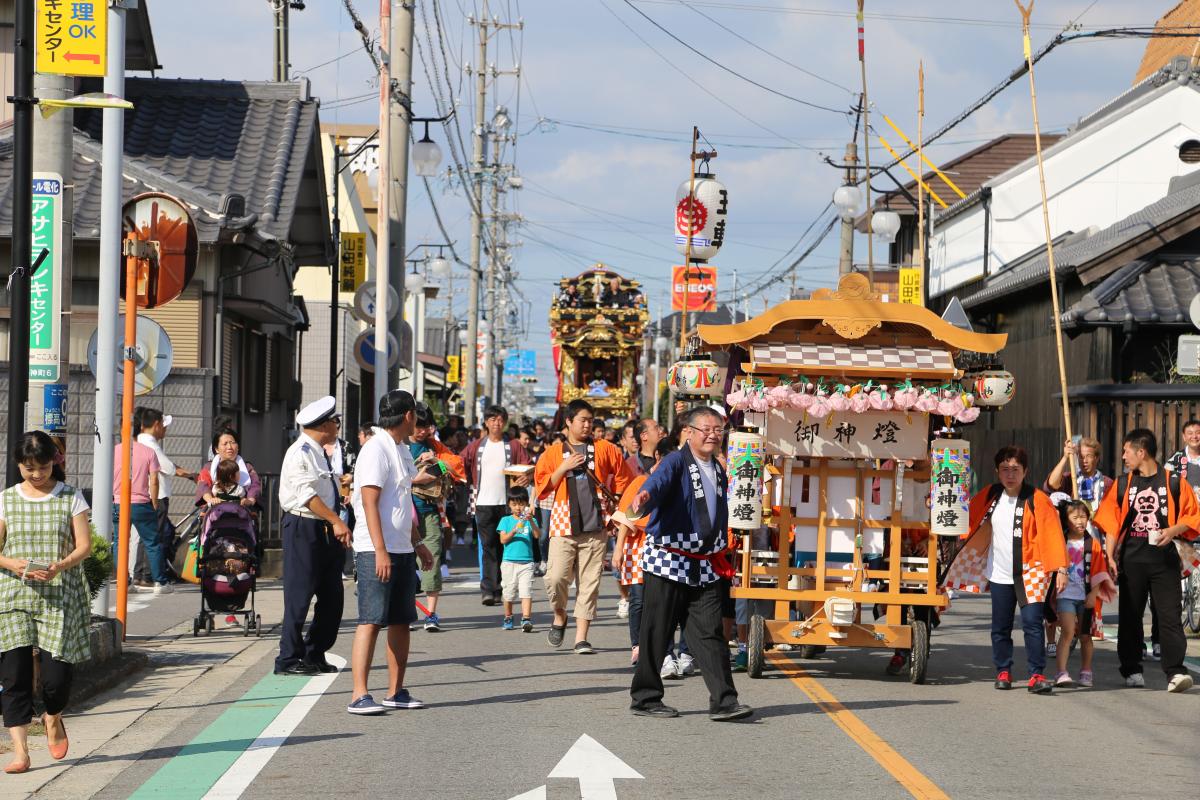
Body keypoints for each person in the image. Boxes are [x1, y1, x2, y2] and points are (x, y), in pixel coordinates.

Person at [625, 406, 750, 721]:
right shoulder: (674, 461)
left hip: (703, 563)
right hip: (668, 560)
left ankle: (724, 701)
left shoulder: (718, 468)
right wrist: (644, 498)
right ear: (689, 432)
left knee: (709, 633)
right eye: (706, 429)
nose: (712, 434)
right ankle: (645, 698)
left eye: (717, 429)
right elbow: (655, 486)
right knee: (657, 632)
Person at [0, 432, 92, 774]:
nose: (36, 474)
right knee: (14, 676)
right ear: (19, 465)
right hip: (13, 596)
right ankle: (21, 752)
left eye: (42, 466)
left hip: (58, 595)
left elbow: (83, 546)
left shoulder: (70, 497)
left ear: (55, 460)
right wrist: (13, 564)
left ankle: (53, 715)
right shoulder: (6, 499)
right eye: (28, 467)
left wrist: (59, 567)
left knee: (57, 679)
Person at [943, 446, 1067, 694]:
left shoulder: (1037, 499)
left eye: (1015, 470)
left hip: (1032, 570)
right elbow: (965, 517)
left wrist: (1061, 568)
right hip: (999, 571)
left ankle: (1036, 674)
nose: (1010, 475)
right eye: (1005, 470)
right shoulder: (991, 494)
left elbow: (1052, 533)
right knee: (1000, 626)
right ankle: (1003, 669)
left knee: (1032, 623)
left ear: (1025, 471)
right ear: (997, 472)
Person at [347, 390, 436, 714]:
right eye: (416, 414)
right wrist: (381, 550)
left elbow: (402, 501)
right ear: (408, 415)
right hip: (375, 549)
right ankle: (359, 693)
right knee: (371, 619)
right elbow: (369, 502)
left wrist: (417, 543)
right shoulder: (376, 448)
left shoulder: (401, 449)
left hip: (399, 546)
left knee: (401, 620)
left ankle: (395, 691)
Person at [1093, 428, 1199, 693]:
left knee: (1170, 618)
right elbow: (1110, 524)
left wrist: (1172, 531)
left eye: (1127, 451)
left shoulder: (1174, 482)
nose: (1123, 456)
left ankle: (1175, 672)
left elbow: (1193, 516)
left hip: (1166, 561)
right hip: (1131, 560)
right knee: (1130, 616)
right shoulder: (1122, 484)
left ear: (1141, 452)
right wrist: (1109, 556)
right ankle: (1131, 668)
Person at [535, 399, 635, 654]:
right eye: (583, 420)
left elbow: (624, 478)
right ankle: (559, 615)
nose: (588, 424)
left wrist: (618, 508)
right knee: (555, 577)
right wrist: (562, 469)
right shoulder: (552, 453)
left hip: (596, 526)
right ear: (568, 422)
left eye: (591, 420)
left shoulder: (606, 449)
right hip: (562, 523)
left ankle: (581, 638)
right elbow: (541, 486)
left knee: (589, 584)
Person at [275, 397, 352, 676]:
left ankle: (314, 653)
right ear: (323, 425)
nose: (337, 425)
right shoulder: (300, 452)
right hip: (303, 526)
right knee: (299, 594)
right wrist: (336, 521)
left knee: (332, 596)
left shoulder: (320, 450)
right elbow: (307, 496)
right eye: (334, 421)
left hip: (324, 528)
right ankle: (288, 658)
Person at [1042, 436, 1113, 656]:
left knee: (1087, 593)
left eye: (1088, 457)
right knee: (1059, 591)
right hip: (1067, 545)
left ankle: (1079, 632)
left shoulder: (1108, 484)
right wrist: (1066, 457)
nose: (1084, 461)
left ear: (1097, 459)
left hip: (1093, 546)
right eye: (1080, 457)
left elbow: (1112, 519)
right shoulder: (1069, 477)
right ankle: (1061, 633)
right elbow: (1050, 485)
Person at [460, 405, 531, 606]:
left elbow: (527, 466)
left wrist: (526, 478)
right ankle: (489, 590)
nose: (496, 423)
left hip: (507, 505)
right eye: (492, 420)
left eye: (500, 420)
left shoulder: (514, 445)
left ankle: (502, 588)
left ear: (505, 422)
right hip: (483, 503)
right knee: (488, 547)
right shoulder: (476, 446)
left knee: (504, 547)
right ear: (486, 422)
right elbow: (460, 463)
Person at [409, 404, 466, 632]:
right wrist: (416, 478)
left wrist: (436, 461)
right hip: (402, 513)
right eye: (419, 426)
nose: (423, 431)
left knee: (431, 558)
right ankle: (408, 610)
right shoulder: (398, 445)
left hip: (429, 510)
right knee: (405, 563)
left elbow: (457, 465)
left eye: (427, 426)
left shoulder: (434, 445)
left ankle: (431, 614)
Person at [1049, 496, 1115, 688]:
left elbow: (1099, 570)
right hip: (1065, 595)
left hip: (1085, 596)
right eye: (1075, 517)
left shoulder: (1092, 543)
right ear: (1066, 519)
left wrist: (1093, 594)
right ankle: (1061, 672)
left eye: (1083, 517)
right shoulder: (1060, 541)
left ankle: (1086, 670)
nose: (1080, 521)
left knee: (1085, 636)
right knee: (1068, 632)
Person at [134, 408, 196, 588]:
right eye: (164, 425)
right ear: (156, 425)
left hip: (146, 495)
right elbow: (168, 467)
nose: (165, 430)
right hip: (156, 496)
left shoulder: (142, 441)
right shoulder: (150, 444)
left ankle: (141, 574)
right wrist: (191, 475)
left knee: (148, 536)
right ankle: (147, 575)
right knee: (153, 537)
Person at [113, 427, 167, 593]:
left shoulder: (114, 450)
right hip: (141, 503)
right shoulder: (148, 452)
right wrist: (155, 501)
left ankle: (125, 582)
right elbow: (154, 480)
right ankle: (160, 582)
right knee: (152, 543)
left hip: (118, 502)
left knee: (120, 542)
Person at [498, 486, 540, 632]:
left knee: (526, 591)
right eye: (514, 504)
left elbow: (537, 535)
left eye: (521, 504)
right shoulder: (505, 520)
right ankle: (508, 616)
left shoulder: (530, 519)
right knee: (508, 593)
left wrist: (531, 521)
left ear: (526, 504)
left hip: (527, 562)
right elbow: (503, 539)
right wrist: (515, 529)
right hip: (509, 562)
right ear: (509, 505)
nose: (518, 507)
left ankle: (526, 618)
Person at [197, 429, 261, 509]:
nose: (230, 447)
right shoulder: (209, 467)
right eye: (225, 444)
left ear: (238, 447)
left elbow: (255, 485)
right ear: (216, 449)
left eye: (233, 443)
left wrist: (250, 500)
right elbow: (203, 485)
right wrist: (210, 499)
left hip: (242, 510)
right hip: (214, 510)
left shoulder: (247, 467)